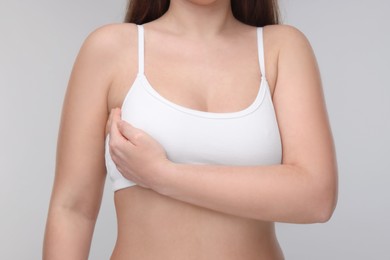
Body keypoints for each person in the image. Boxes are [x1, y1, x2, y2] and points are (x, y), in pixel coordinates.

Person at [43, 0, 338, 259]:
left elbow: (316, 198)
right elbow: (72, 209)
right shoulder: (111, 49)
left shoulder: (281, 48)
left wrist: (161, 174)